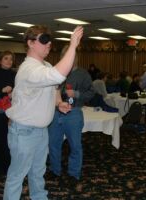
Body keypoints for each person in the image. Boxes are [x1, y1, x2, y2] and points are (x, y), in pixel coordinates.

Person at [3, 25, 83, 200]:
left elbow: (53, 87)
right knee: (17, 176)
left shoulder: (44, 64)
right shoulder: (28, 69)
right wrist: (72, 46)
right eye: (44, 40)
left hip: (40, 131)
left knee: (38, 173)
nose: (49, 44)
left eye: (49, 40)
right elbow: (57, 76)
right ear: (31, 43)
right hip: (24, 131)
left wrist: (59, 103)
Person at [48, 45, 94, 184]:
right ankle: (54, 170)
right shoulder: (55, 71)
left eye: (71, 55)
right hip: (56, 113)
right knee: (53, 144)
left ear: (76, 56)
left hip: (73, 113)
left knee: (75, 145)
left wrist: (77, 94)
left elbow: (91, 93)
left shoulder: (83, 73)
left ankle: (74, 173)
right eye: (65, 54)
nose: (68, 57)